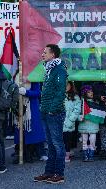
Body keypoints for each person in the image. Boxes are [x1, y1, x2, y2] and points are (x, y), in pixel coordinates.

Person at [34, 44, 67, 184]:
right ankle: (49, 172)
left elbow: (60, 92)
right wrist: (44, 108)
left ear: (53, 55)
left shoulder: (59, 69)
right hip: (46, 111)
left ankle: (59, 174)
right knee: (51, 144)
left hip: (54, 112)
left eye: (45, 52)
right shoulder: (49, 69)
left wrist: (52, 109)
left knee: (57, 144)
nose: (42, 54)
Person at [16, 82, 47, 163]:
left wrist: (26, 92)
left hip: (31, 108)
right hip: (17, 106)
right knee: (19, 131)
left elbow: (38, 92)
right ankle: (20, 154)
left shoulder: (33, 77)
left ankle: (30, 154)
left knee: (31, 132)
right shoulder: (16, 75)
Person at [78, 85, 104, 162]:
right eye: (89, 92)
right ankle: (85, 155)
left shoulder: (96, 102)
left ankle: (91, 155)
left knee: (93, 140)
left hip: (93, 125)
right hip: (84, 124)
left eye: (91, 91)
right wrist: (80, 117)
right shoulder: (82, 103)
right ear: (85, 93)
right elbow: (77, 112)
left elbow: (99, 112)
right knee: (84, 141)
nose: (91, 93)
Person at [63, 81, 81, 163]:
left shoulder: (75, 97)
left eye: (67, 84)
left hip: (69, 122)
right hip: (59, 121)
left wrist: (71, 120)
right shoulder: (58, 95)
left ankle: (67, 155)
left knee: (67, 140)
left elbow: (77, 110)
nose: (65, 86)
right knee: (59, 140)